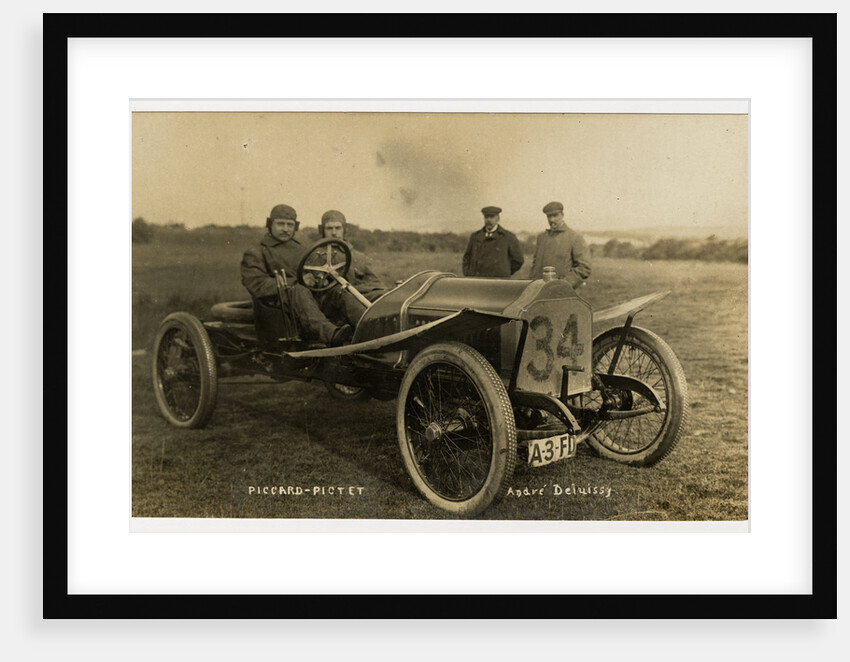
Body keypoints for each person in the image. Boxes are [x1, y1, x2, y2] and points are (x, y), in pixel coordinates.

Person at [240, 204, 353, 346]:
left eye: (290, 225)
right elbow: (256, 284)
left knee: (338, 289)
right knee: (299, 290)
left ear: (296, 226)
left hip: (308, 301)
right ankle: (331, 334)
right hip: (277, 303)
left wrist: (321, 279)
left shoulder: (303, 249)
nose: (285, 229)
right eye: (280, 224)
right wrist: (298, 281)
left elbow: (317, 271)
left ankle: (365, 325)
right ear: (270, 224)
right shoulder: (257, 251)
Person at [315, 209, 387, 326]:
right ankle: (369, 327)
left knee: (383, 295)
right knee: (341, 292)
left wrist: (356, 289)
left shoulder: (357, 256)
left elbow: (375, 283)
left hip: (356, 296)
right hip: (328, 303)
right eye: (329, 228)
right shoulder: (314, 254)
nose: (334, 233)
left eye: (338, 228)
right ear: (322, 230)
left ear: (345, 230)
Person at [529, 201, 591, 287]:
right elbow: (535, 266)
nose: (552, 220)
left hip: (560, 292)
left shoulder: (574, 237)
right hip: (537, 291)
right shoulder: (541, 237)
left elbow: (584, 268)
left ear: (562, 215)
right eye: (549, 216)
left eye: (555, 215)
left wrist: (562, 285)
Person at [461, 205, 524, 277]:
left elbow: (518, 260)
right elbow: (467, 257)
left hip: (497, 282)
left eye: (491, 217)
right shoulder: (475, 236)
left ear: (497, 218)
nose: (488, 220)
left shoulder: (508, 237)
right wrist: (469, 273)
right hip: (477, 280)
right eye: (486, 217)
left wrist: (504, 271)